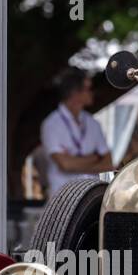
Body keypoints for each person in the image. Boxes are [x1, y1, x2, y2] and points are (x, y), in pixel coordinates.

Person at [39, 67, 112, 199]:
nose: (92, 93)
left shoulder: (93, 123)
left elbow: (108, 164)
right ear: (74, 93)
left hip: (90, 197)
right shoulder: (52, 124)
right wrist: (94, 157)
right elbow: (65, 164)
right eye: (88, 89)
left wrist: (75, 163)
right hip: (62, 200)